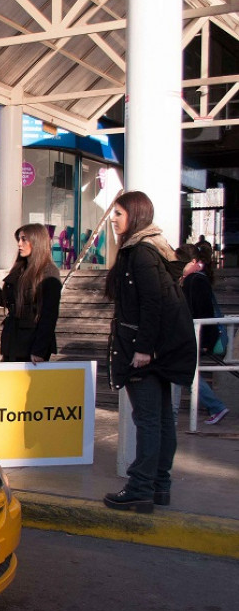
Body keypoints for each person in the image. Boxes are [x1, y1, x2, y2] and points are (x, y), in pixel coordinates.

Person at [103, 191, 197, 513]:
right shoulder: (152, 249)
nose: (113, 219)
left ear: (135, 215)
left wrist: (143, 349)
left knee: (148, 421)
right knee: (160, 421)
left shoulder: (140, 253)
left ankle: (141, 487)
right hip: (161, 350)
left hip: (144, 350)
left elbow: (152, 304)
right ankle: (159, 487)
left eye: (118, 213)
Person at [171, 243, 229, 425]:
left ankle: (215, 406)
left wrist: (205, 342)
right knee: (185, 372)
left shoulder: (195, 281)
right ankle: (215, 406)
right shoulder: (195, 280)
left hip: (194, 336)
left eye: (182, 263)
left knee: (182, 371)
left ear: (194, 262)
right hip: (192, 335)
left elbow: (203, 313)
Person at [0, 223, 62, 363]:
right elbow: (10, 302)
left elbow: (49, 315)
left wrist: (39, 350)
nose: (19, 244)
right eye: (19, 240)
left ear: (37, 241)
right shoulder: (20, 269)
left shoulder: (48, 272)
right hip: (12, 341)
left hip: (31, 343)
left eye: (24, 239)